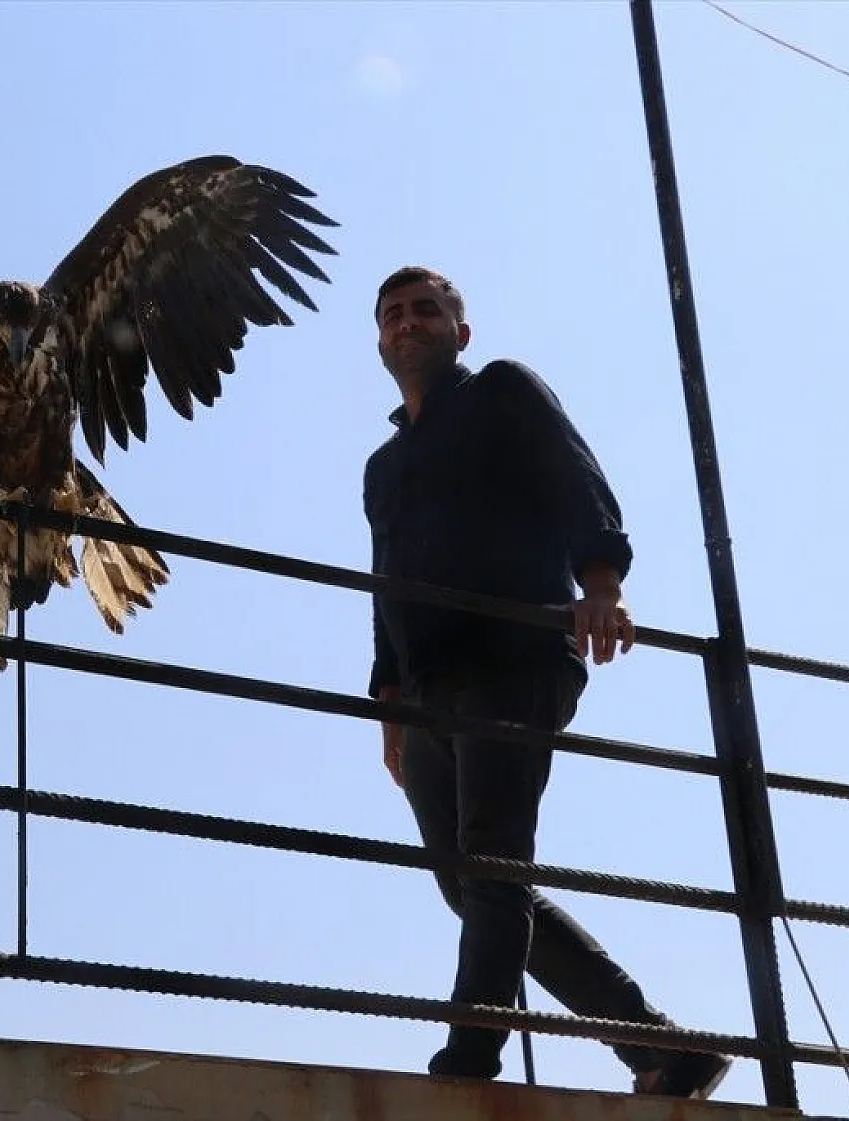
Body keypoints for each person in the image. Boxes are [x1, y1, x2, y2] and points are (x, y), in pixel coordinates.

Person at [362, 265, 730, 1099]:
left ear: (462, 330)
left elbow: (576, 476)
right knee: (473, 885)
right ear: (379, 341)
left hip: (513, 657)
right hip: (424, 689)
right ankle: (664, 1048)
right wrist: (386, 701)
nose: (408, 324)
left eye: (427, 310)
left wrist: (600, 583)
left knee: (492, 868)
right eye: (392, 316)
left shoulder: (500, 392)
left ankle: (468, 1063)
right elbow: (383, 582)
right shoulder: (383, 467)